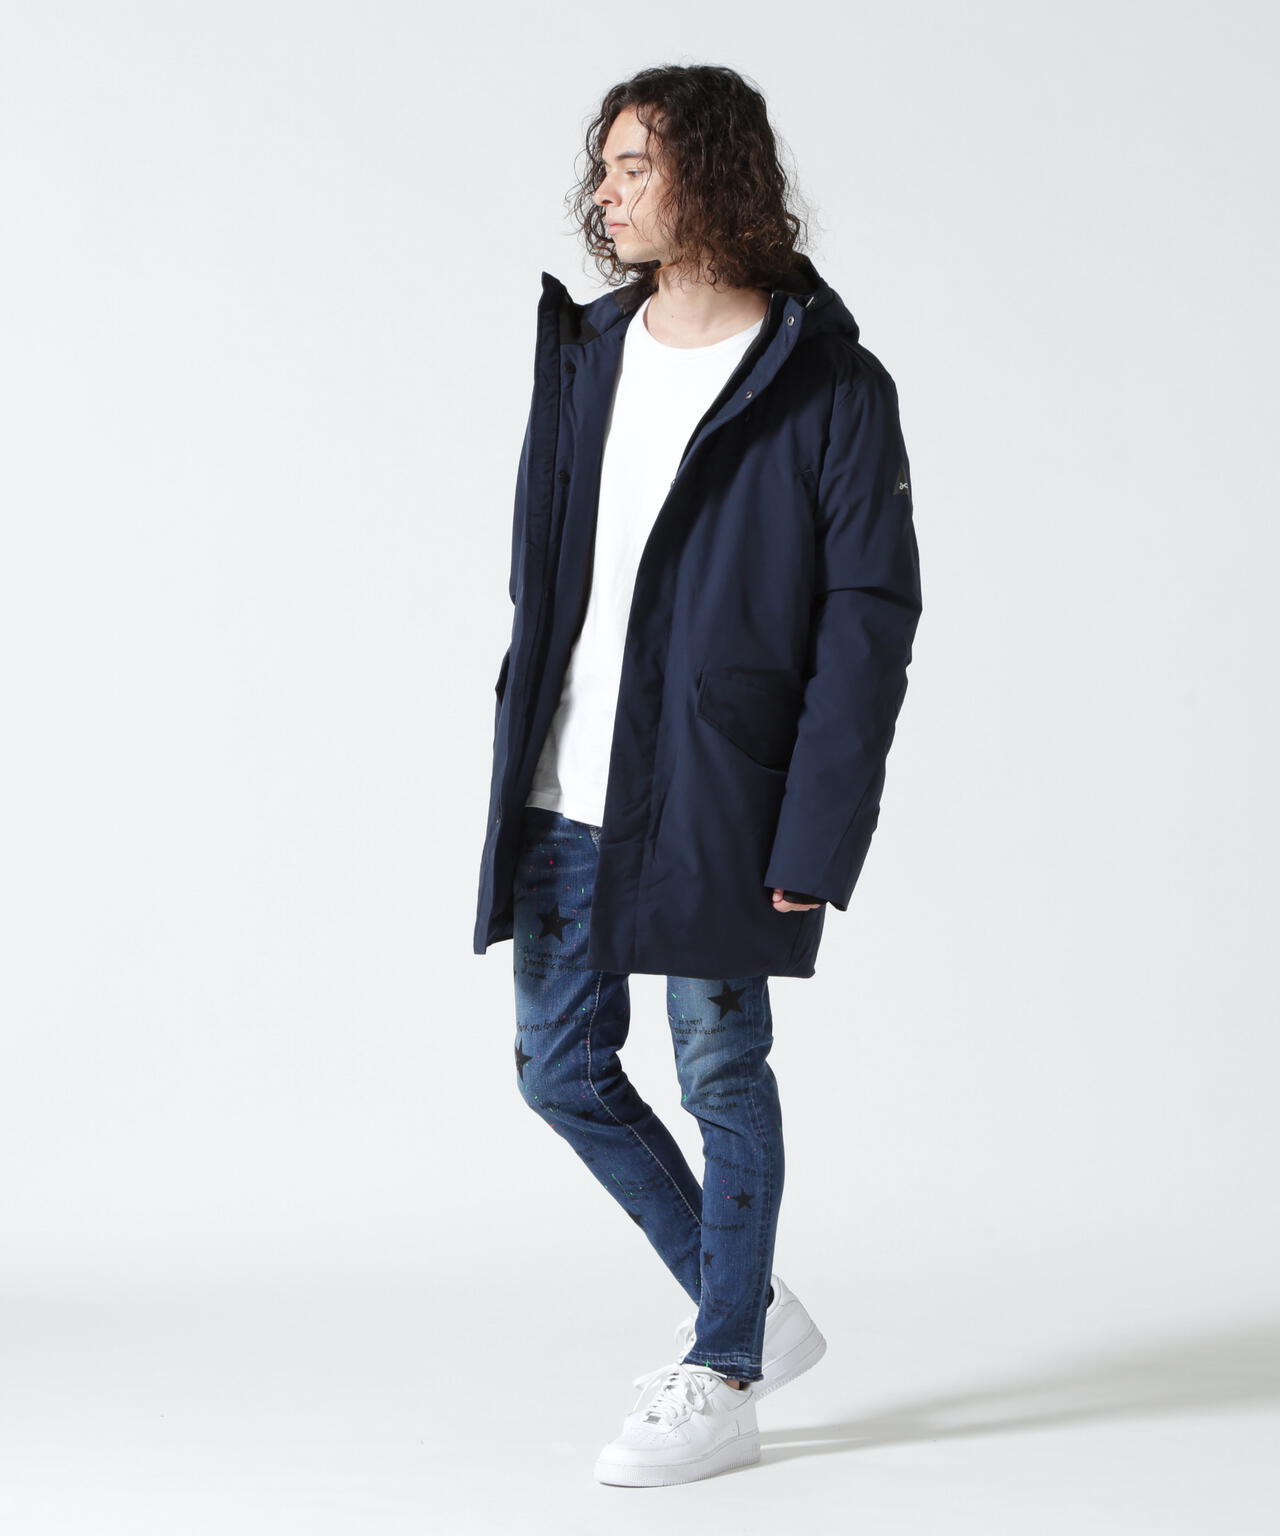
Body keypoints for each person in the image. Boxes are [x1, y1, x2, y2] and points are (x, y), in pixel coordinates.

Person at [475, 63, 922, 1487]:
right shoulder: (585, 352)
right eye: (602, 168)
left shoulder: (828, 383)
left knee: (721, 1067)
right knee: (560, 1071)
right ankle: (750, 1303)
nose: (603, 195)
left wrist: (819, 829)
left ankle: (723, 1366)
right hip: (566, 777)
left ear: (713, 174)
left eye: (633, 166)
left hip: (723, 786)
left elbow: (869, 622)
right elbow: (545, 571)